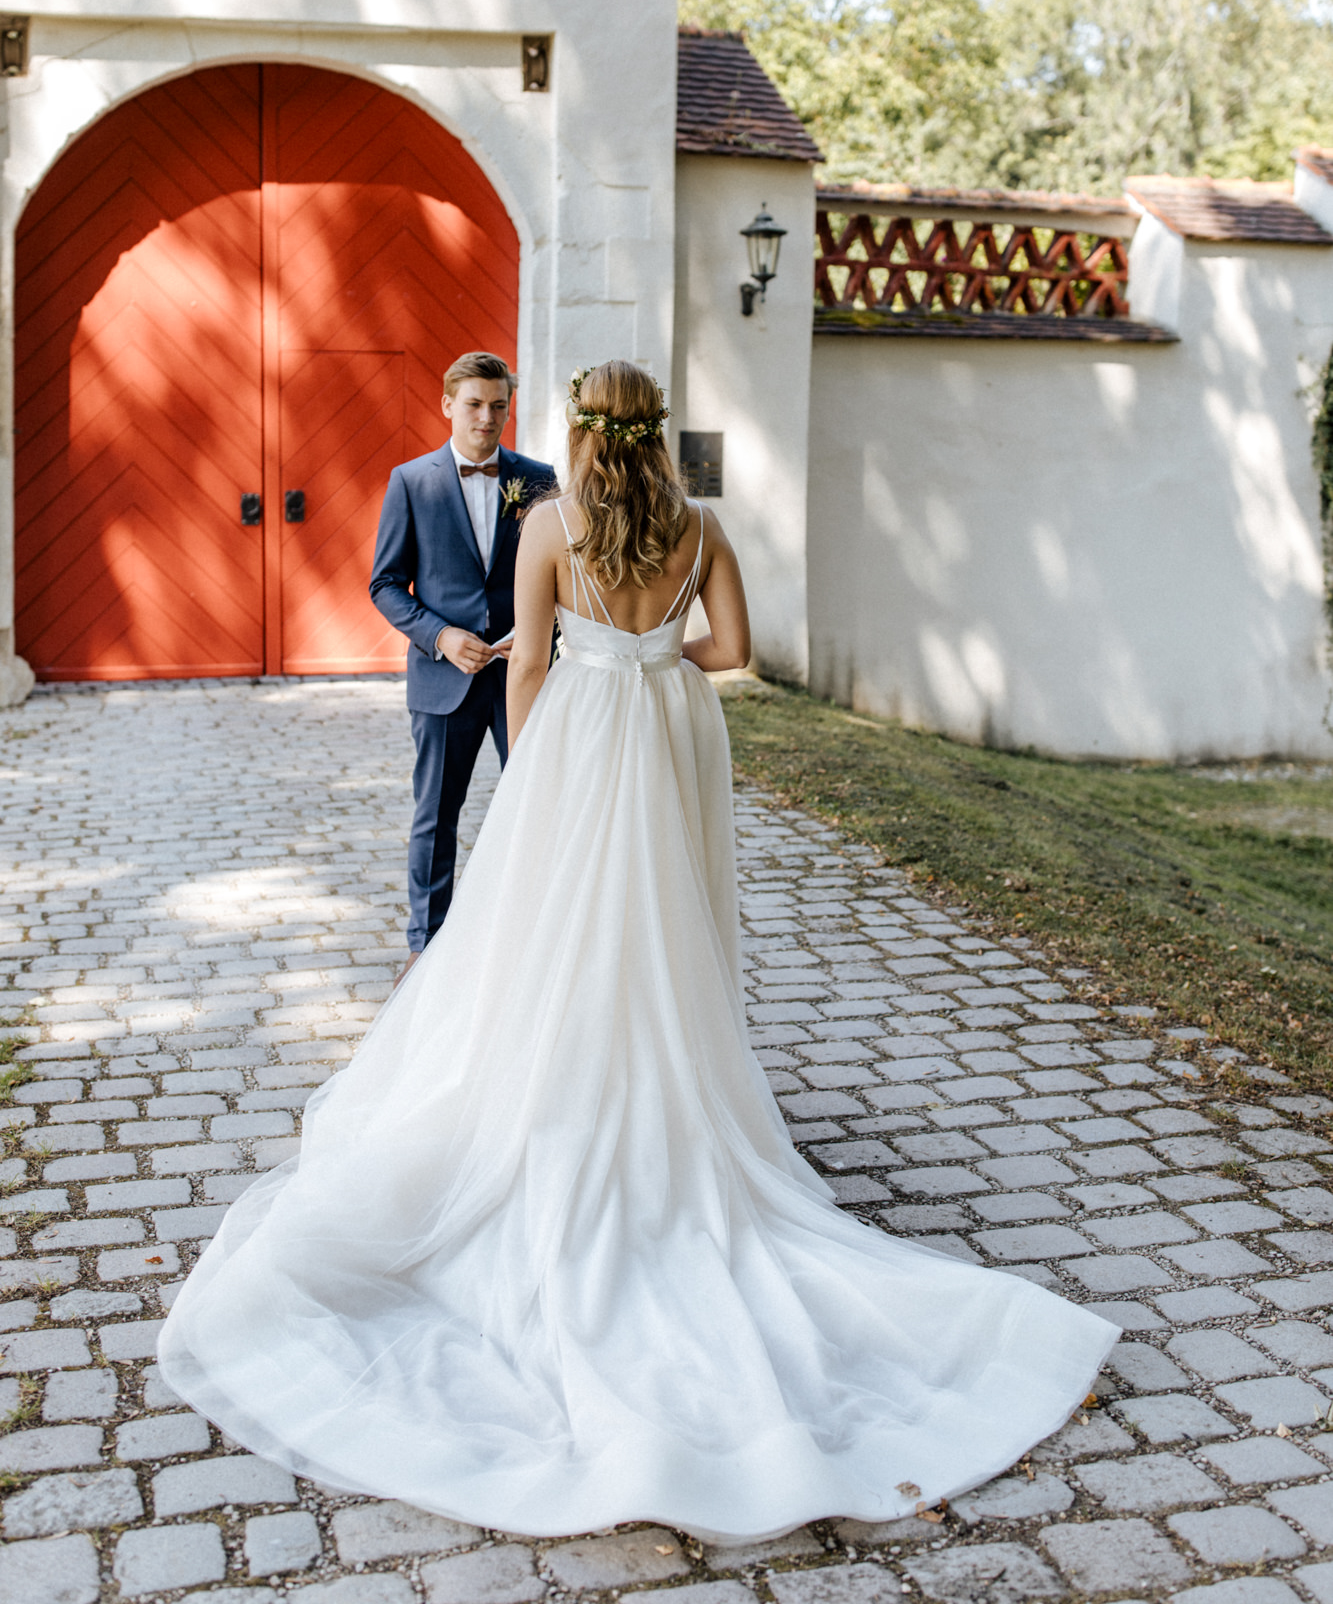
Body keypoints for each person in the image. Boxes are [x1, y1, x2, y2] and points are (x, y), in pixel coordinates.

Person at [158, 359, 1117, 1543]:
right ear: (655, 429)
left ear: (573, 427)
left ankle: (560, 1085)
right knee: (665, 915)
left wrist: (539, 757)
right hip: (668, 725)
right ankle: (667, 1091)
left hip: (577, 732)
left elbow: (526, 660)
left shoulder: (551, 523)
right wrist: (655, 656)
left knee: (553, 924)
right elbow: (736, 651)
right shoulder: (698, 520)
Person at [368, 351, 556, 954]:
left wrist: (538, 638)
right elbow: (386, 584)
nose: (487, 418)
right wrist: (441, 637)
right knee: (436, 816)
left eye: (498, 406)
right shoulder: (412, 481)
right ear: (448, 404)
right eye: (474, 404)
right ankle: (426, 945)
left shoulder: (539, 478)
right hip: (441, 680)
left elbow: (563, 576)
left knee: (535, 807)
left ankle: (532, 937)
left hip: (520, 676)